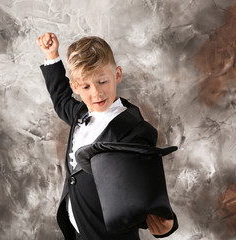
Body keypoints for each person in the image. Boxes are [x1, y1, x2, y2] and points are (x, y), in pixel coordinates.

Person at [37, 33, 178, 240]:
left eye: (102, 81)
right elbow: (60, 99)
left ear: (117, 74)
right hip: (79, 233)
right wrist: (51, 55)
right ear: (75, 87)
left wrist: (167, 221)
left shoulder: (134, 130)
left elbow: (149, 183)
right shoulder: (80, 114)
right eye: (86, 86)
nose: (96, 93)